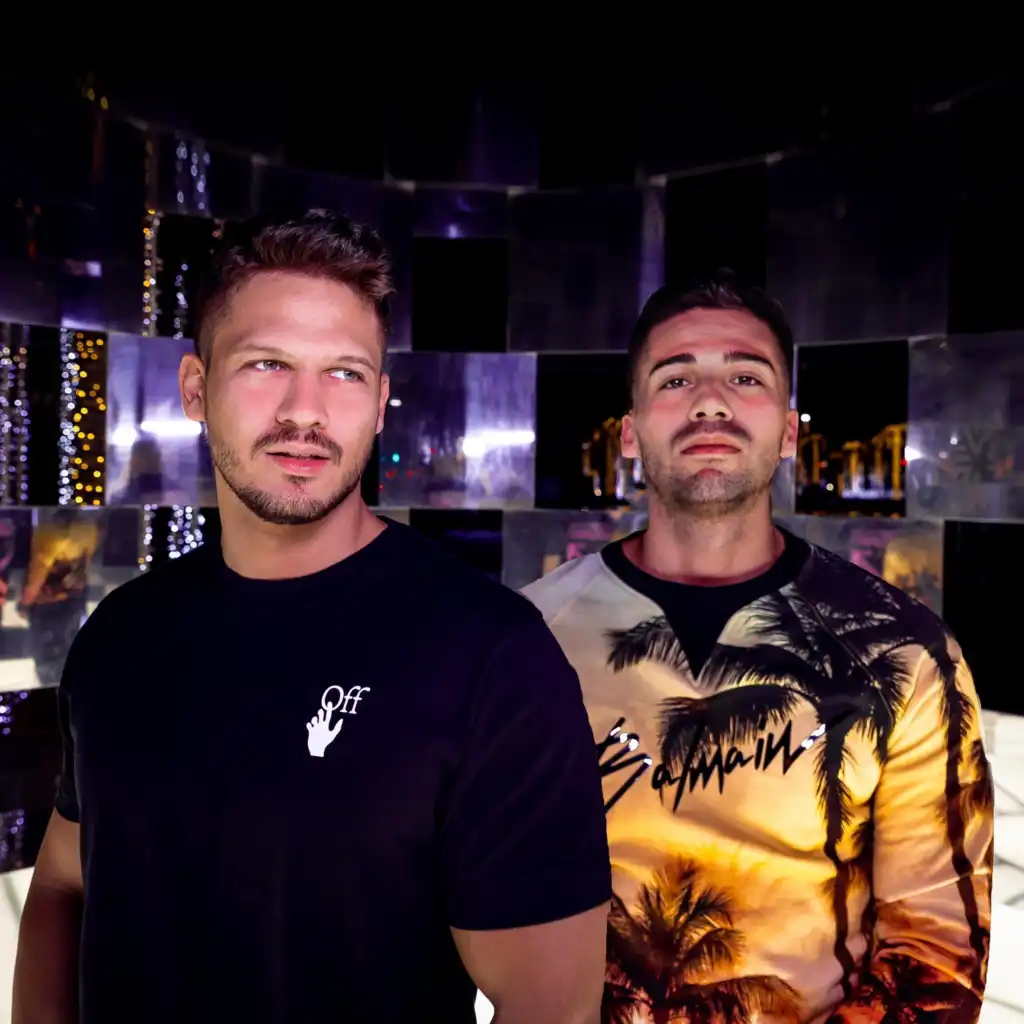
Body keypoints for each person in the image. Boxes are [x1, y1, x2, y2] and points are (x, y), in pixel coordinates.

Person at [14, 210, 610, 1024]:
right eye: (268, 364)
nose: (307, 410)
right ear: (195, 388)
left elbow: (553, 1007)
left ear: (381, 402)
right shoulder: (120, 636)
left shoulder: (490, 657)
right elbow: (62, 880)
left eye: (345, 373)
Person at [522, 271, 993, 1023]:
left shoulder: (902, 650)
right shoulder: (529, 636)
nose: (711, 402)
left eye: (746, 377)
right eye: (676, 379)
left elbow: (934, 953)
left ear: (788, 433)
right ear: (630, 434)